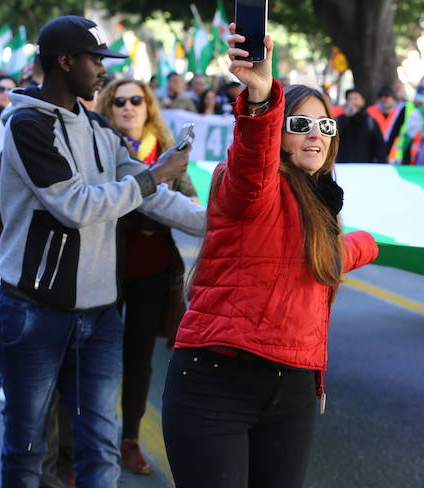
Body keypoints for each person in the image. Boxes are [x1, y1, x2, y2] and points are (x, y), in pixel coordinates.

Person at [162, 26, 379, 487]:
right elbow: (253, 157)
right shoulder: (249, 185)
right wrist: (260, 100)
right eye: (299, 125)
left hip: (296, 388)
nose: (315, 135)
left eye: (325, 125)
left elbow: (316, 260)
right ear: (277, 134)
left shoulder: (322, 204)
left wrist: (368, 244)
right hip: (216, 384)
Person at [0, 15, 205, 487]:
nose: (104, 71)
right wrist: (155, 174)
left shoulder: (95, 126)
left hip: (101, 316)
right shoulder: (26, 124)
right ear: (65, 62)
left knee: (100, 447)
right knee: (27, 449)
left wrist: (223, 224)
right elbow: (75, 205)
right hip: (34, 311)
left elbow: (152, 197)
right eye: (96, 60)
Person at [94, 77, 198, 475]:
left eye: (136, 99)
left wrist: (181, 196)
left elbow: (188, 197)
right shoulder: (102, 145)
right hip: (105, 263)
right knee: (96, 354)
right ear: (109, 106)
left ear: (147, 105)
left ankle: (129, 439)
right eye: (118, 100)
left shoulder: (166, 147)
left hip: (153, 266)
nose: (127, 106)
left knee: (138, 358)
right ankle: (88, 443)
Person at [335, 88, 388, 163]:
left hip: (365, 167)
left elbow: (379, 147)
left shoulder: (370, 122)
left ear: (363, 101)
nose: (352, 102)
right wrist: (346, 117)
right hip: (343, 166)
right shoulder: (339, 120)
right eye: (349, 99)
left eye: (356, 98)